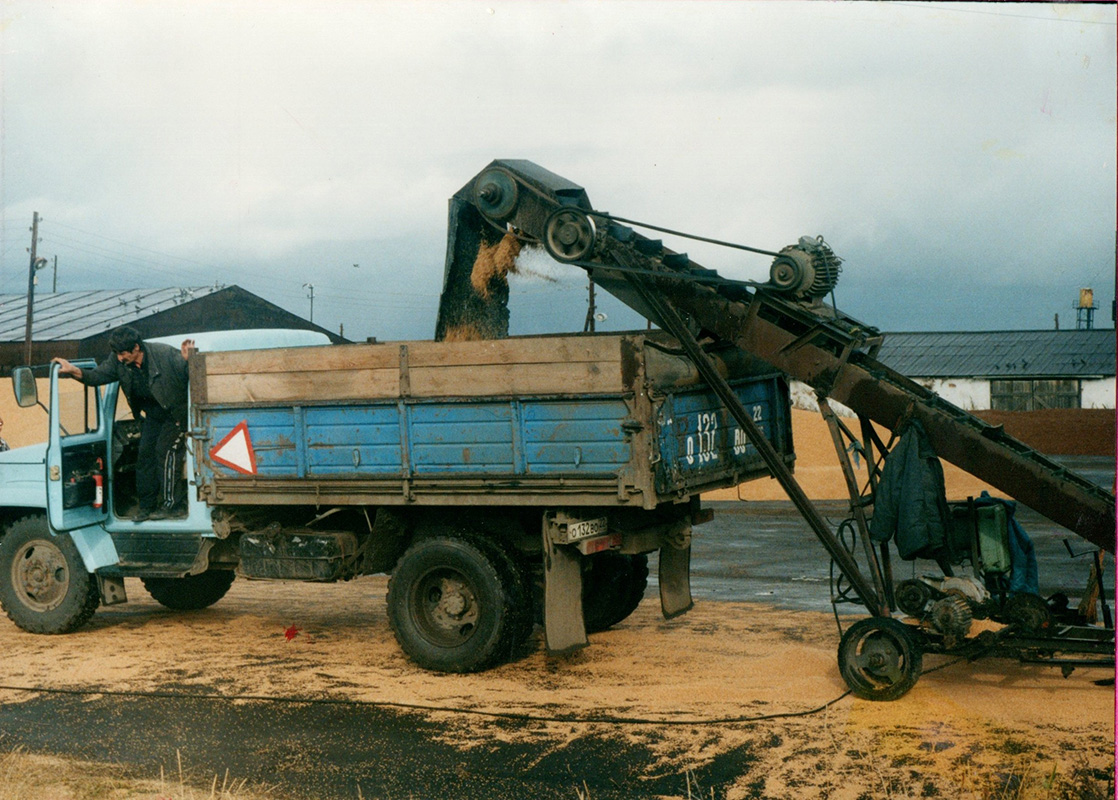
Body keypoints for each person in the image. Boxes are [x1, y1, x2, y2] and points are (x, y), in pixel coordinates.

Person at [53, 326, 195, 521]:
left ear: (136, 348)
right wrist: (73, 371)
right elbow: (96, 376)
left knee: (166, 451)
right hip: (154, 416)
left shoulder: (164, 354)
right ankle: (146, 507)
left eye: (122, 353)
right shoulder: (118, 362)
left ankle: (173, 506)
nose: (119, 358)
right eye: (117, 354)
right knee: (144, 457)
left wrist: (189, 361)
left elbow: (190, 374)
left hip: (176, 414)